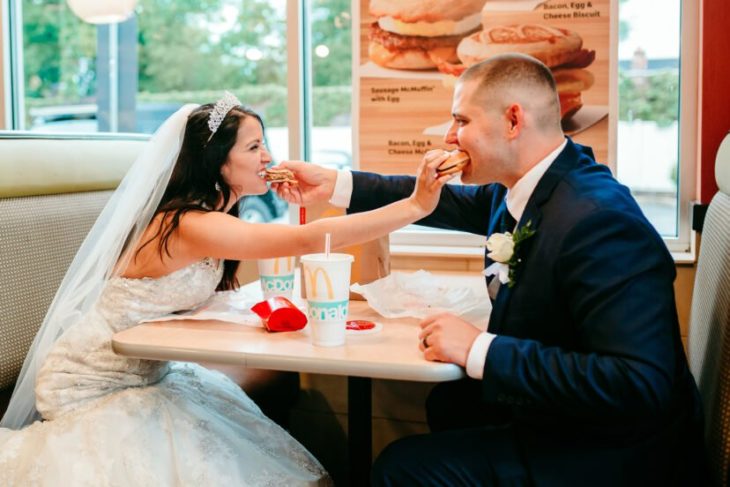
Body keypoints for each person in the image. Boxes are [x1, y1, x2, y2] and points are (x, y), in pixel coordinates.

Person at [274, 54, 707, 485]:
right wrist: (336, 183)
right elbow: (435, 198)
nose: (448, 136)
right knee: (449, 401)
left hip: (617, 453)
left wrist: (481, 349)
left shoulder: (598, 220)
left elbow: (638, 383)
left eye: (460, 121)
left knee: (400, 467)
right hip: (573, 422)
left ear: (513, 121)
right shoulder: (530, 186)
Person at [0, 93, 453, 485]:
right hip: (92, 382)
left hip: (149, 372)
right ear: (218, 161)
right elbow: (306, 240)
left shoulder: (215, 218)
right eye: (254, 147)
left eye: (266, 144)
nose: (268, 158)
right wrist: (414, 204)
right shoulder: (190, 225)